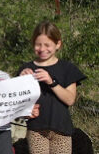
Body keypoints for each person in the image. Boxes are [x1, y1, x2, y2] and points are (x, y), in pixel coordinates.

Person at [18, 21, 86, 154]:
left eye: (47, 45)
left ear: (58, 44)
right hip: (36, 130)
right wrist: (21, 81)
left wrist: (51, 82)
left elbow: (70, 100)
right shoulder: (26, 69)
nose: (42, 49)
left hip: (62, 130)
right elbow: (17, 104)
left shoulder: (67, 68)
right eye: (38, 44)